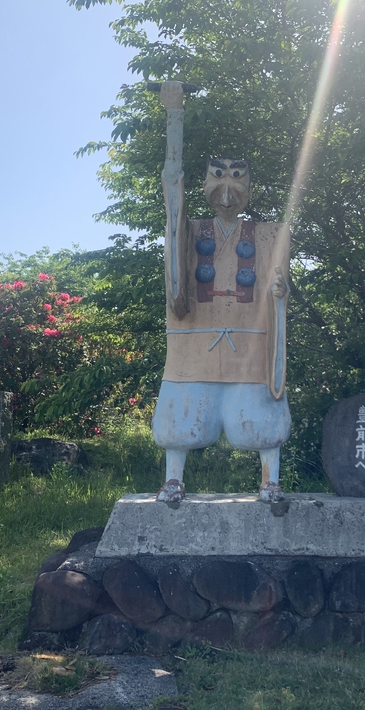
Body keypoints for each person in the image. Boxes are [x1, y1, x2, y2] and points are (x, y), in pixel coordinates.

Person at [151, 81, 291, 504]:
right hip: (195, 343)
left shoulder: (268, 235)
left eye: (237, 174)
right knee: (183, 416)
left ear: (250, 184)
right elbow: (172, 201)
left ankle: (270, 481)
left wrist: (281, 291)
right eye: (218, 173)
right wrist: (174, 119)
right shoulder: (191, 231)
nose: (227, 184)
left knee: (260, 419)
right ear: (205, 181)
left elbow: (278, 282)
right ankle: (173, 479)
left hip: (249, 344)